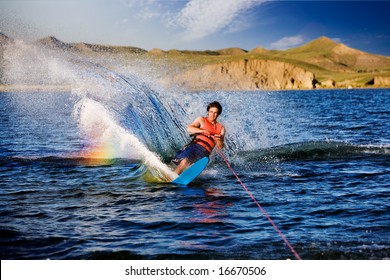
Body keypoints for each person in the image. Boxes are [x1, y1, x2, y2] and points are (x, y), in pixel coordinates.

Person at [172, 101, 225, 174]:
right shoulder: (202, 120)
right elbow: (189, 128)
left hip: (205, 154)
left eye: (215, 113)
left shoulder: (221, 128)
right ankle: (172, 178)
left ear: (218, 114)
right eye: (211, 112)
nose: (212, 115)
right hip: (194, 147)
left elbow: (221, 146)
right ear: (208, 112)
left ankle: (180, 175)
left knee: (191, 166)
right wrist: (202, 131)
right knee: (185, 161)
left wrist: (219, 140)